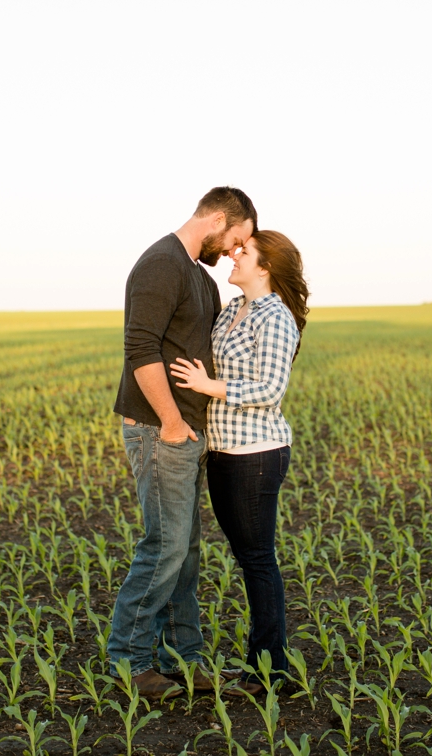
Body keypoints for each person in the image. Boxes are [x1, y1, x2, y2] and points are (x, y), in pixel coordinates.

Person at [109, 187, 258, 698]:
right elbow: (139, 347)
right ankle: (130, 661)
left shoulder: (197, 275)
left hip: (186, 433)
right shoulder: (161, 264)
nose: (234, 251)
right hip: (158, 429)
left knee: (185, 551)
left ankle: (184, 659)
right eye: (236, 239)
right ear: (217, 218)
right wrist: (172, 422)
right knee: (164, 546)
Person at [169, 229, 308, 695]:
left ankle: (269, 672)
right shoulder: (234, 309)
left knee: (257, 561)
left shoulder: (276, 317)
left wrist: (211, 387)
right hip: (225, 451)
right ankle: (261, 666)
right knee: (250, 559)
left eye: (242, 252)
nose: (232, 254)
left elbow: (270, 389)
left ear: (264, 267)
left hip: (257, 455)